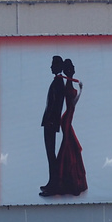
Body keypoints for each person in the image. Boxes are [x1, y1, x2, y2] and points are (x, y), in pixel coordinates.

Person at [52, 58, 86, 196]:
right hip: (66, 119)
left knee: (70, 145)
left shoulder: (70, 82)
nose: (71, 70)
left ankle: (68, 180)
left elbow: (73, 104)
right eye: (69, 68)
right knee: (67, 145)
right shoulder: (68, 83)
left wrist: (81, 91)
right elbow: (70, 102)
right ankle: (66, 181)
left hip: (68, 117)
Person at [38, 54, 65, 196]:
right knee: (50, 154)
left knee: (51, 154)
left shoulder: (58, 83)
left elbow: (56, 105)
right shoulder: (57, 82)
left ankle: (54, 185)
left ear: (57, 66)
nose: (50, 67)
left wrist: (51, 121)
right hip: (49, 122)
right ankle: (51, 182)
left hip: (51, 123)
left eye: (53, 64)